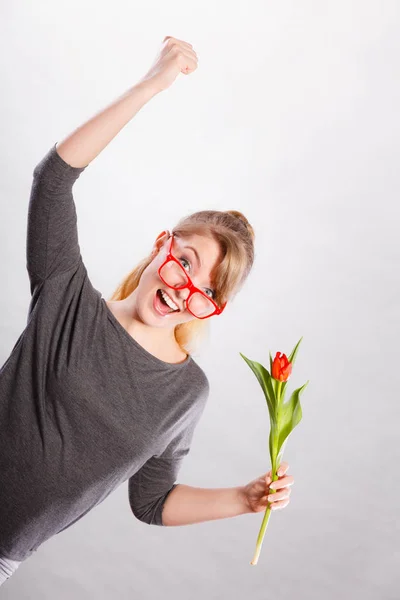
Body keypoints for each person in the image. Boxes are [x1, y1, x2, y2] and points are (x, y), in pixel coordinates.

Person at [0, 36, 294, 586]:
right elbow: (55, 177)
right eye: (184, 261)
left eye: (205, 291)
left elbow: (152, 500)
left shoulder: (186, 393)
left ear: (211, 309)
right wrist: (152, 84)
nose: (184, 290)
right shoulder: (66, 294)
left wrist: (242, 498)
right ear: (162, 244)